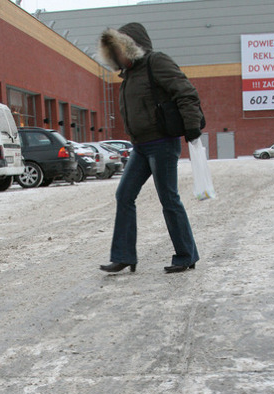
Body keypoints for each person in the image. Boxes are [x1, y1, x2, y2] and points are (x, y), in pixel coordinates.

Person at [98, 23, 203, 274]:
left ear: (131, 47)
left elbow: (186, 92)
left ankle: (186, 254)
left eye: (119, 49)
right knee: (124, 195)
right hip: (140, 147)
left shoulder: (156, 62)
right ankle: (124, 256)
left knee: (168, 198)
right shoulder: (129, 75)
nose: (117, 55)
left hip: (162, 143)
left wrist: (191, 126)